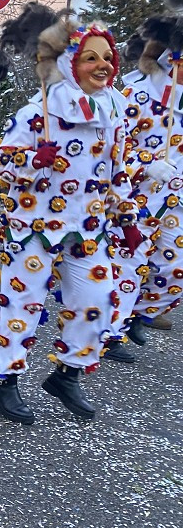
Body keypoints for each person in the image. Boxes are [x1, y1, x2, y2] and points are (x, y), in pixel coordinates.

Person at [0, 18, 139, 424]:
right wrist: (33, 162)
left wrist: (126, 219)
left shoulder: (112, 112)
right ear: (71, 63)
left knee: (98, 300)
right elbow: (0, 167)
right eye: (91, 58)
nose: (103, 66)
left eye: (108, 57)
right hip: (33, 228)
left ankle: (67, 373)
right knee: (22, 302)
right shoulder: (38, 113)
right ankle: (5, 382)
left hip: (87, 229)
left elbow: (117, 171)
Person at [107, 21, 183, 360]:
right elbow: (111, 145)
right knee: (128, 266)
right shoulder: (136, 97)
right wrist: (146, 163)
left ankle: (140, 313)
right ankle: (109, 334)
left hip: (175, 203)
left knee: (174, 269)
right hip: (136, 199)